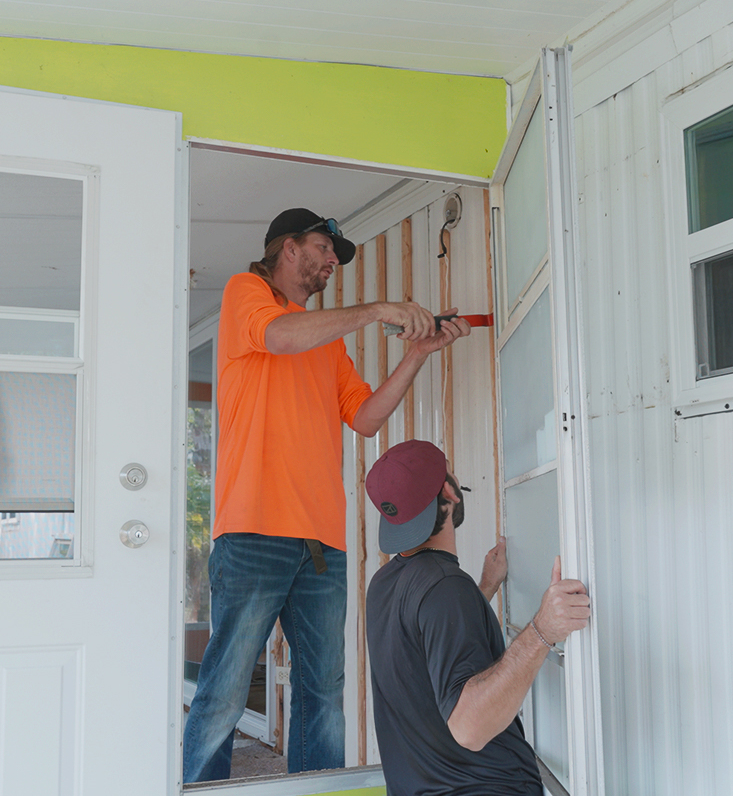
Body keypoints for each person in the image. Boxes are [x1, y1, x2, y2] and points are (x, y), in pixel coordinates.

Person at [182, 209, 471, 783]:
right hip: (252, 532)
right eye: (324, 247)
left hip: (321, 543)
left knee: (323, 694)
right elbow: (277, 337)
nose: (333, 261)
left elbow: (364, 418)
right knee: (225, 688)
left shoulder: (329, 346)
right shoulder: (248, 294)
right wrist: (377, 310)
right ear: (288, 248)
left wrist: (417, 352)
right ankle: (199, 790)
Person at [365, 439, 590, 796]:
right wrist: (543, 629)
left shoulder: (384, 585)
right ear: (449, 492)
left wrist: (483, 589)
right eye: (450, 471)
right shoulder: (445, 588)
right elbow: (469, 727)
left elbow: (424, 649)